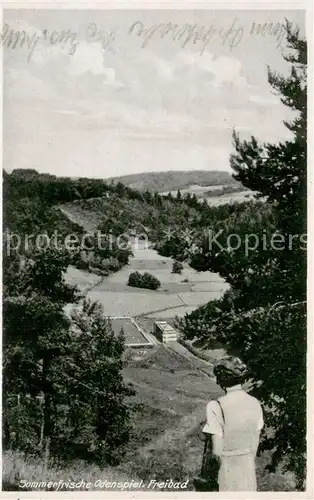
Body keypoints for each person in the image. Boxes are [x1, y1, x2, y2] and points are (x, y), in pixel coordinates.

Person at [202, 356, 264, 491]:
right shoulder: (255, 404)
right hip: (247, 473)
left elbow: (216, 453)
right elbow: (254, 447)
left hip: (225, 472)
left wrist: (209, 479)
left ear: (221, 380)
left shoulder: (216, 406)